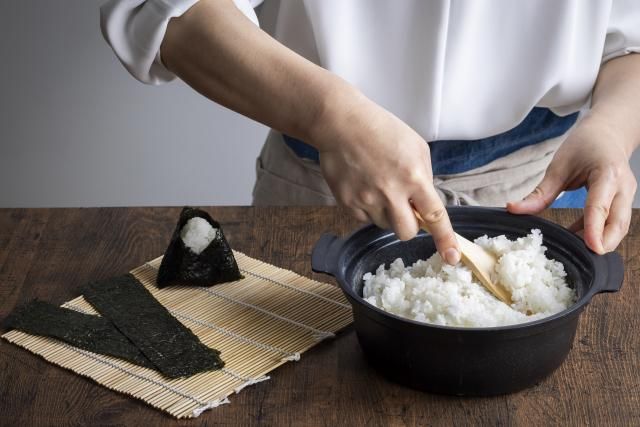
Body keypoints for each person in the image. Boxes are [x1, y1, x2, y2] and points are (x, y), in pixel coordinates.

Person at [101, 0, 640, 265]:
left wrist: (613, 129)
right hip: (320, 182)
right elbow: (165, 9)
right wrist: (333, 118)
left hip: (544, 186)